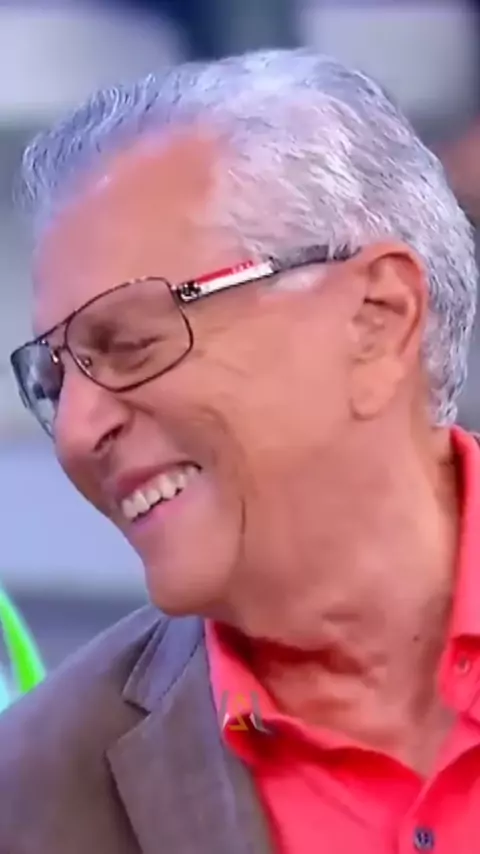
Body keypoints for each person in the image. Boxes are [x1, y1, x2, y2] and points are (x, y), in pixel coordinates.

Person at [0, 47, 478, 854]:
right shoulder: (34, 792)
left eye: (133, 342)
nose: (77, 431)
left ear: (376, 317)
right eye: (53, 382)